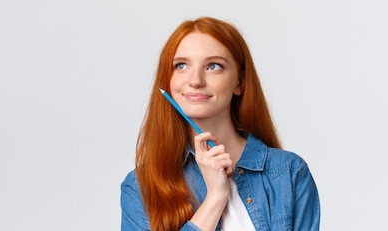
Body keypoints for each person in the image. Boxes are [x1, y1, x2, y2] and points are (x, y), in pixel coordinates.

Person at [120, 16, 320, 231]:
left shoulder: (288, 173)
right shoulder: (140, 188)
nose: (195, 80)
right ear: (168, 82)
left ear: (240, 83)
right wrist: (215, 197)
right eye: (181, 65)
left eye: (213, 66)